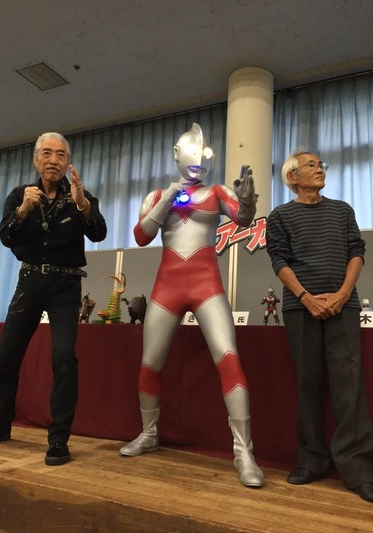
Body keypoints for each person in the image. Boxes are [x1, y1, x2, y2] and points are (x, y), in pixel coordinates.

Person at [119, 123, 264, 488]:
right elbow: (141, 236)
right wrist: (168, 197)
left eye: (205, 154)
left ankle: (244, 451)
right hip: (167, 286)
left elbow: (242, 218)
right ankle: (148, 433)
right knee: (150, 363)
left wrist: (248, 201)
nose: (200, 160)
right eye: (193, 152)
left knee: (228, 358)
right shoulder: (157, 195)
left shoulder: (217, 192)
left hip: (206, 285)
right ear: (176, 153)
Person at [265, 151, 373, 505]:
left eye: (321, 165)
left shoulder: (342, 210)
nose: (320, 169)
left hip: (343, 306)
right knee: (308, 385)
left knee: (349, 386)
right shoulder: (280, 216)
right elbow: (279, 260)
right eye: (312, 165)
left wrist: (342, 294)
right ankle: (312, 461)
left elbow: (356, 251)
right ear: (292, 177)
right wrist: (306, 297)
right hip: (300, 308)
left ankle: (358, 471)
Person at [0, 132, 107, 465]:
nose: (53, 160)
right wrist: (23, 210)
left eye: (60, 155)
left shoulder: (80, 196)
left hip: (65, 285)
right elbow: (6, 236)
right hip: (29, 281)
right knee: (7, 355)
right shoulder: (20, 195)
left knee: (63, 357)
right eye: (46, 153)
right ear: (36, 160)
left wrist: (82, 204)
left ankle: (58, 440)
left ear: (68, 162)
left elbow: (98, 232)